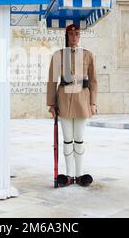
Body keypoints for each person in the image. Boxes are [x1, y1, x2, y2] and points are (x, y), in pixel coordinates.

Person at [46, 23, 98, 187]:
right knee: (67, 139)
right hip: (64, 99)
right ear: (67, 36)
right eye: (71, 34)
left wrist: (93, 103)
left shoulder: (88, 55)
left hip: (82, 99)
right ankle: (68, 174)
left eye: (77, 34)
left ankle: (79, 174)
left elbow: (94, 81)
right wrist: (52, 104)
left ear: (80, 36)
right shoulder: (58, 55)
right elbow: (52, 81)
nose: (74, 37)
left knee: (79, 139)